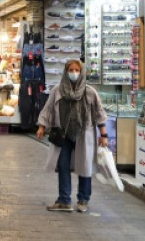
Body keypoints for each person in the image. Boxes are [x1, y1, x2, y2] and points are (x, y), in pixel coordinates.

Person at [36, 59, 109, 213]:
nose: (74, 73)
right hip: (63, 134)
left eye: (77, 70)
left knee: (85, 166)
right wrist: (41, 127)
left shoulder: (90, 92)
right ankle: (64, 200)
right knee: (62, 165)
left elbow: (99, 113)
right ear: (66, 71)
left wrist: (104, 135)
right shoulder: (57, 90)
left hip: (84, 134)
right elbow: (48, 110)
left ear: (81, 72)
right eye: (71, 70)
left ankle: (83, 199)